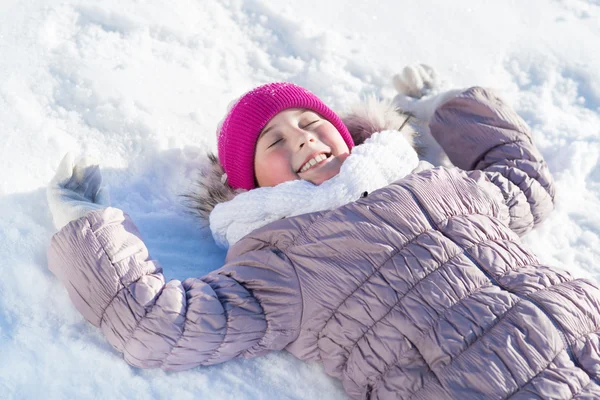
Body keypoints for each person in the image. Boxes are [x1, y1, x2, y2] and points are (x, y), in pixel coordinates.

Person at [46, 65, 600, 399]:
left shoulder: (437, 182)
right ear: (249, 188)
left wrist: (445, 109)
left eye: (311, 125)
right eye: (275, 143)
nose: (303, 141)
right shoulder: (280, 263)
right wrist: (84, 228)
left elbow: (524, 181)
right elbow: (161, 326)